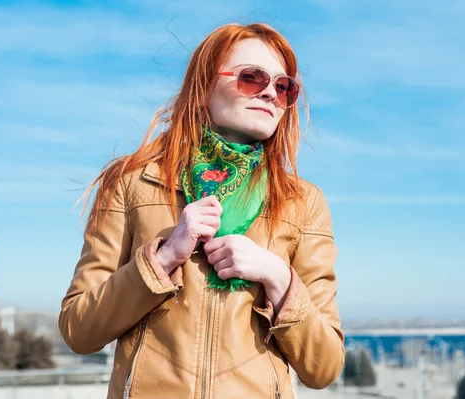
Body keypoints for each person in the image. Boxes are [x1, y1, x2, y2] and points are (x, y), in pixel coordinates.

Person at [59, 22, 344, 398]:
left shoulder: (302, 202)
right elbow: (79, 330)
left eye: (283, 86)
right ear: (205, 83)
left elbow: (323, 367)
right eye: (251, 77)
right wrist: (162, 259)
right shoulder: (131, 183)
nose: (270, 94)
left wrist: (278, 278)